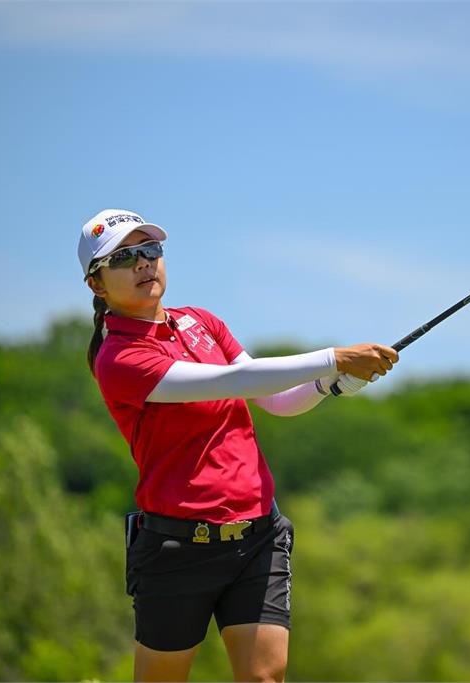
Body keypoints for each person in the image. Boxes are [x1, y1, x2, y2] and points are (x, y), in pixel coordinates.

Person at [77, 209, 399, 682]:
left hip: (258, 537)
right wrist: (333, 357)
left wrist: (331, 384)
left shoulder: (201, 322)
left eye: (150, 251)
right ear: (97, 285)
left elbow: (272, 398)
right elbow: (234, 379)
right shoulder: (119, 357)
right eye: (125, 257)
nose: (144, 263)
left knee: (264, 677)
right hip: (176, 547)